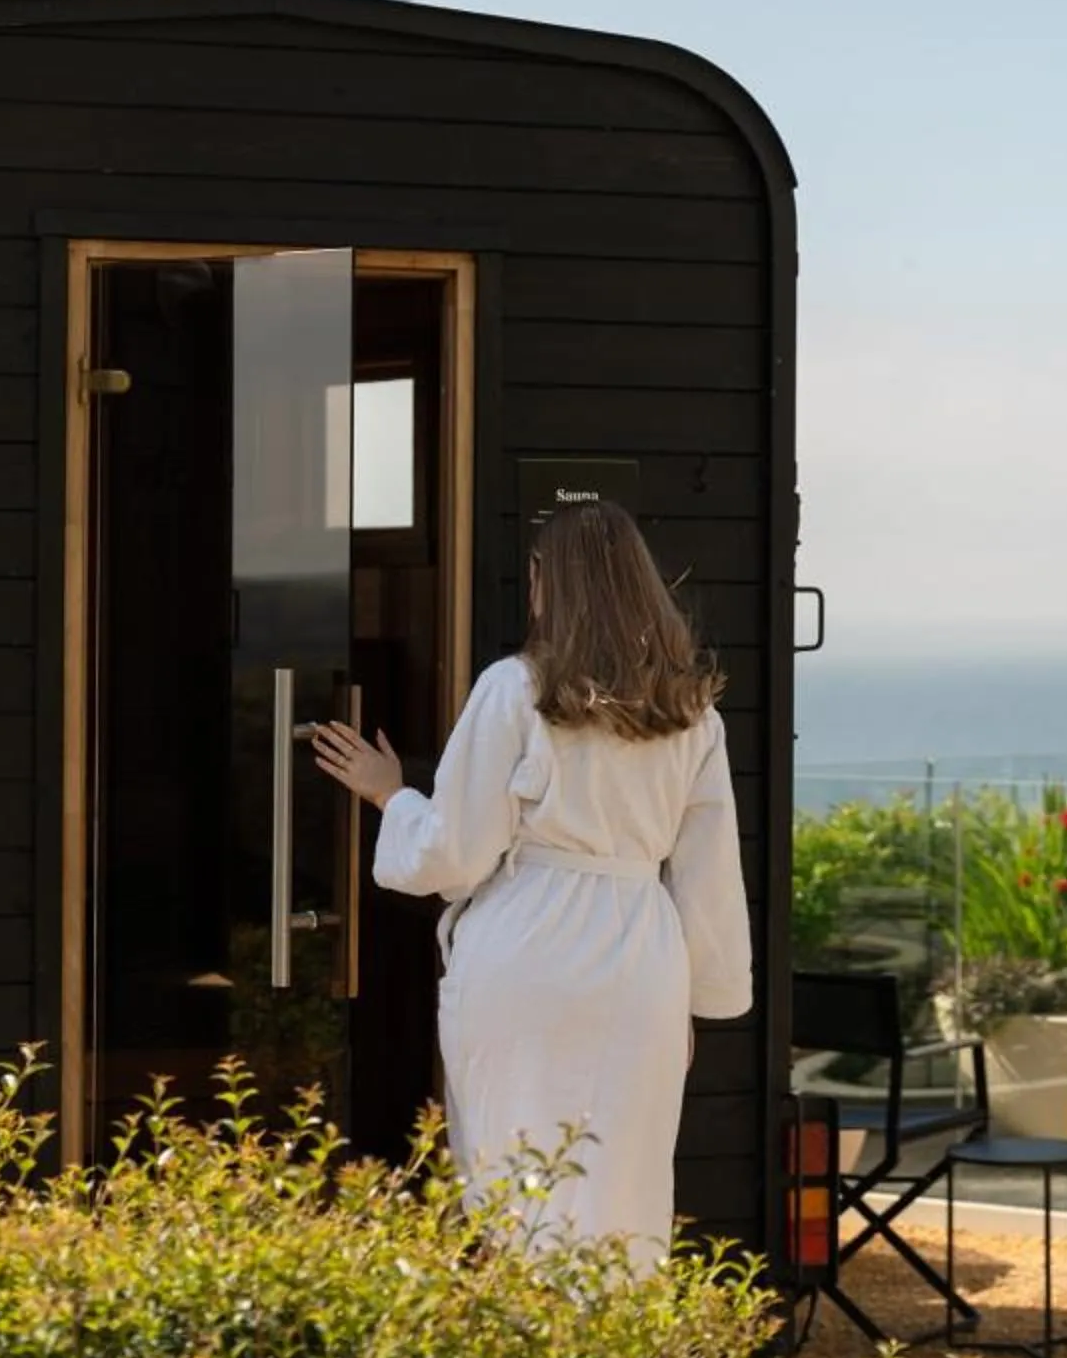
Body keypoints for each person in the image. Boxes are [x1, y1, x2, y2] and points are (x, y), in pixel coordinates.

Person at [309, 498, 753, 1270]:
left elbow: (456, 852)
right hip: (640, 961)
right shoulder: (691, 712)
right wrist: (693, 1001)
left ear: (551, 582)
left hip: (529, 954)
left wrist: (392, 796)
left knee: (517, 1176)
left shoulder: (516, 690)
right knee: (626, 1183)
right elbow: (710, 873)